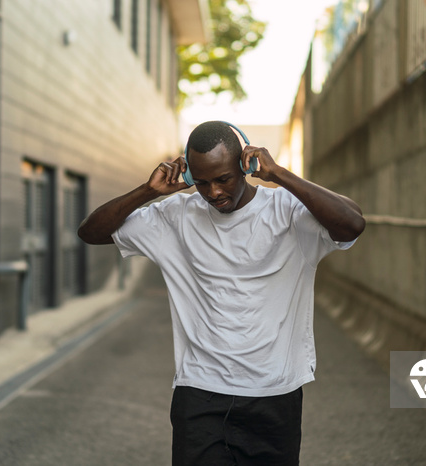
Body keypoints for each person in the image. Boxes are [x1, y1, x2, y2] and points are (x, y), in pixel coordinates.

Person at [78, 120, 365, 466]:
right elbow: (91, 232)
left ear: (245, 166)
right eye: (201, 182)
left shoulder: (287, 213)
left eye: (223, 179)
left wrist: (280, 175)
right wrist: (147, 191)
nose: (213, 192)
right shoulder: (174, 217)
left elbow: (352, 223)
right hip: (200, 396)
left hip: (273, 395)